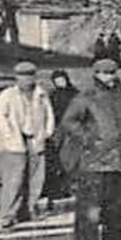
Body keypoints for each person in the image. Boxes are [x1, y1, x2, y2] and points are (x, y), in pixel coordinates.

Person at [60, 58, 121, 240]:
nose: (109, 77)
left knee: (117, 209)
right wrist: (88, 138)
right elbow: (69, 121)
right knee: (90, 211)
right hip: (94, 163)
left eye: (112, 72)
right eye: (104, 73)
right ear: (95, 74)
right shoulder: (86, 97)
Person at [0, 61, 56, 229]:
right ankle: (8, 214)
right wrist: (8, 133)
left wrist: (47, 133)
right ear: (16, 77)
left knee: (35, 178)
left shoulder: (41, 94)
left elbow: (49, 114)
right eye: (22, 76)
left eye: (30, 76)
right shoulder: (8, 94)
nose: (26, 80)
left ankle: (30, 209)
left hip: (36, 138)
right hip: (16, 141)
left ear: (35, 76)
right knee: (14, 178)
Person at [41, 68, 80, 212]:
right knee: (58, 159)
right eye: (57, 81)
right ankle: (59, 189)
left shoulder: (76, 94)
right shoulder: (52, 96)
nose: (60, 83)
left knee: (72, 159)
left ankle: (72, 187)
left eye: (62, 80)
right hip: (58, 131)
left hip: (72, 131)